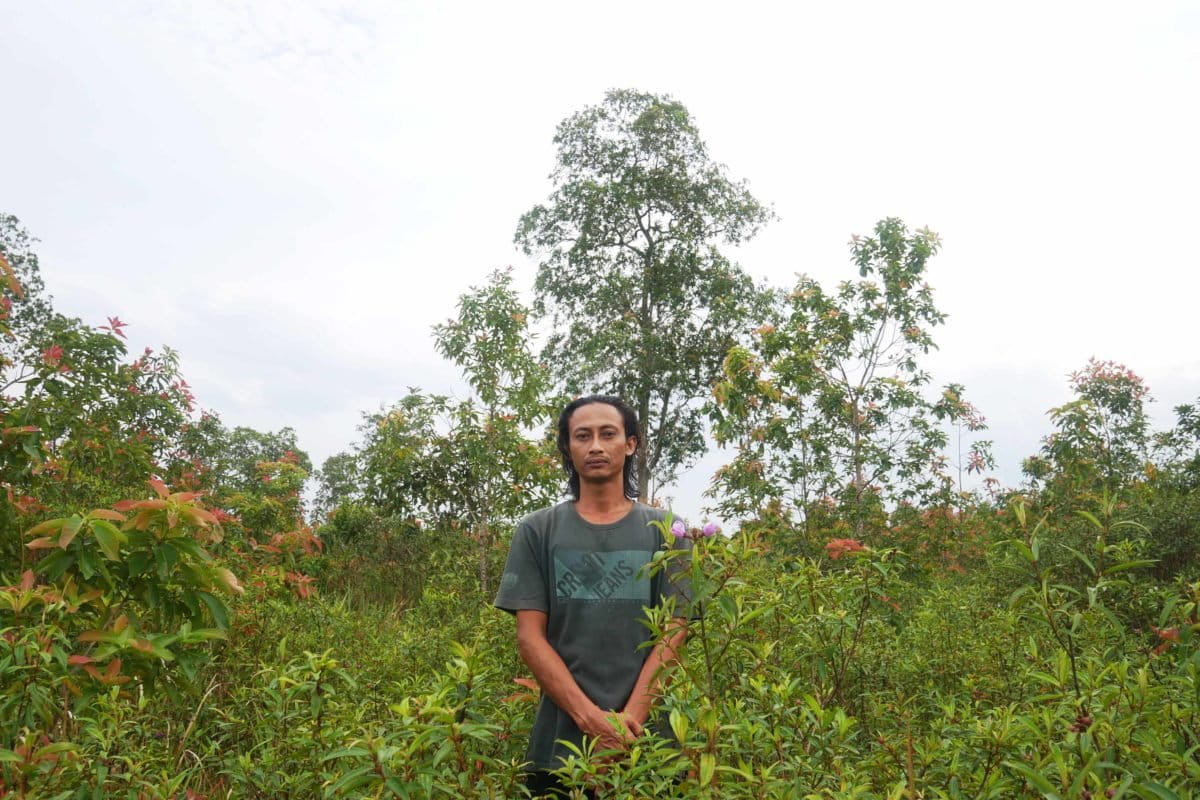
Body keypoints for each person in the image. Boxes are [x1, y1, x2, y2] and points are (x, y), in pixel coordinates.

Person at [493, 395, 690, 798]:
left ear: (630, 444)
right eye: (582, 436)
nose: (596, 446)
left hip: (649, 745)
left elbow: (674, 631)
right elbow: (531, 637)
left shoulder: (669, 532)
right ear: (568, 447)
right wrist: (591, 721)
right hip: (560, 748)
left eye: (608, 434)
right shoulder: (537, 531)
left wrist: (628, 723)